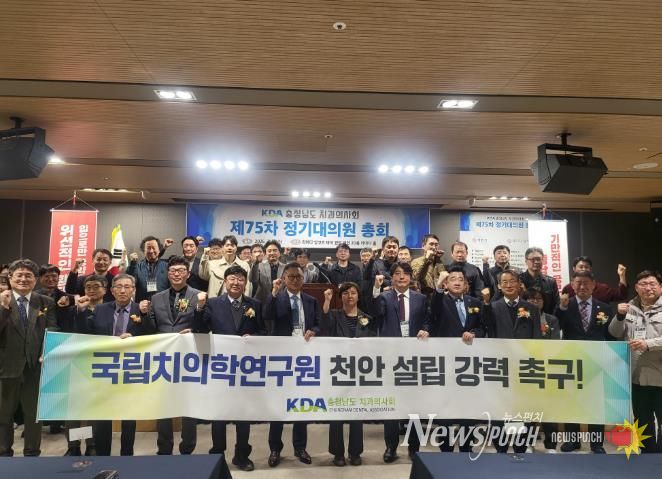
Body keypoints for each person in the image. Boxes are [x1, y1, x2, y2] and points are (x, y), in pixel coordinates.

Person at [194, 265, 266, 471]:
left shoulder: (255, 304)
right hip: (221, 367)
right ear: (225, 282)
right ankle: (217, 454)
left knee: (243, 413)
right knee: (219, 414)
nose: (236, 283)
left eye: (240, 279)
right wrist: (199, 308)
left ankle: (242, 455)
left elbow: (263, 331)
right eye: (232, 279)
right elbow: (200, 329)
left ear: (246, 283)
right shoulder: (213, 303)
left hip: (245, 368)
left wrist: (254, 337)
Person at [78, 274, 155, 456]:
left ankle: (127, 454)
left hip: (131, 369)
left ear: (133, 290)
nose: (122, 290)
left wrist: (134, 337)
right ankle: (102, 455)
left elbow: (153, 335)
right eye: (118, 287)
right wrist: (81, 313)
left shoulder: (141, 309)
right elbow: (85, 334)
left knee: (128, 415)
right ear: (112, 291)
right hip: (105, 369)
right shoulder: (101, 309)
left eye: (127, 287)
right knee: (103, 415)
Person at [372, 261, 430, 462]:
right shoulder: (384, 297)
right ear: (392, 277)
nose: (402, 277)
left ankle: (414, 448)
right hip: (391, 358)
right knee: (392, 404)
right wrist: (376, 289)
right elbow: (375, 313)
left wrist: (426, 329)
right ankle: (391, 447)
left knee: (415, 405)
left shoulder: (421, 298)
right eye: (397, 273)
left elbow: (427, 320)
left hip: (415, 358)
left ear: (411, 277)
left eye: (405, 273)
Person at [0, 259, 58, 457]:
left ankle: (32, 453)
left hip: (36, 367)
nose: (23, 279)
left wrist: (47, 349)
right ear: (10, 278)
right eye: (19, 275)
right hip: (6, 367)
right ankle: (3, 453)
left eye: (28, 276)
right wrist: (3, 308)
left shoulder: (45, 302)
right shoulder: (2, 299)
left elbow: (52, 328)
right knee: (4, 415)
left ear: (35, 280)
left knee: (34, 415)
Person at [265, 262, 320, 467]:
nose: (295, 280)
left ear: (303, 279)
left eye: (298, 277)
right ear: (284, 279)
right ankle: (275, 449)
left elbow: (318, 323)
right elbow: (266, 315)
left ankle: (300, 447)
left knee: (301, 404)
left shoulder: (311, 300)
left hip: (304, 358)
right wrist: (273, 293)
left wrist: (314, 330)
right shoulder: (277, 298)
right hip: (282, 358)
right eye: (291, 277)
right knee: (279, 405)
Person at [143, 256, 200, 456]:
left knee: (188, 404)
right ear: (167, 274)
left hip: (189, 358)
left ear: (188, 274)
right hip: (163, 358)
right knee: (164, 405)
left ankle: (187, 448)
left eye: (181, 270)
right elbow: (151, 328)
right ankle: (164, 448)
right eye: (173, 270)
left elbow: (205, 324)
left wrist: (194, 331)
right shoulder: (156, 298)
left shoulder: (198, 296)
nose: (176, 274)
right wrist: (144, 314)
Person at [481, 270, 541, 453]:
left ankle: (519, 448)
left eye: (512, 281)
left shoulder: (531, 308)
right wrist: (485, 303)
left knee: (520, 407)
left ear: (519, 284)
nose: (508, 285)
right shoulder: (492, 307)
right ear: (499, 286)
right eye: (504, 282)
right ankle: (501, 448)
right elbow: (487, 330)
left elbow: (537, 338)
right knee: (500, 408)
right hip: (500, 367)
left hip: (523, 366)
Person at [555, 271, 612, 454]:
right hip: (571, 361)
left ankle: (596, 443)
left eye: (586, 282)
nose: (582, 286)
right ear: (572, 285)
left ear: (594, 285)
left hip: (596, 361)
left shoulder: (605, 308)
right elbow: (556, 326)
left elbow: (610, 335)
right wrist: (562, 308)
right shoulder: (564, 305)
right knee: (571, 400)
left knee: (595, 402)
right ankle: (572, 441)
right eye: (578, 282)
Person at [429, 267, 485, 452]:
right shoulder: (440, 300)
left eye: (461, 279)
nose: (457, 282)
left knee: (468, 406)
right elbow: (434, 313)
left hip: (469, 364)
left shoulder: (474, 302)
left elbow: (483, 327)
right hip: (446, 362)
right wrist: (438, 288)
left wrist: (474, 333)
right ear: (446, 284)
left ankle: (466, 447)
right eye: (453, 279)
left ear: (466, 284)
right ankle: (446, 449)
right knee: (446, 407)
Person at [321, 282, 376, 466]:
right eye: (345, 293)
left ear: (358, 296)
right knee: (337, 412)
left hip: (359, 371)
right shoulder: (334, 315)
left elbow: (373, 343)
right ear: (341, 297)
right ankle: (337, 453)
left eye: (353, 293)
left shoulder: (366, 318)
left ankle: (355, 452)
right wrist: (327, 301)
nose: (349, 296)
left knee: (356, 412)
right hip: (338, 370)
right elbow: (324, 325)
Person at [609, 270, 662, 453]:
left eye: (652, 284)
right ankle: (647, 456)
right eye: (643, 284)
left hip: (660, 375)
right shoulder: (629, 307)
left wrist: (648, 344)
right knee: (642, 419)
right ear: (637, 288)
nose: (648, 288)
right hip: (637, 376)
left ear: (660, 287)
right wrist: (619, 316)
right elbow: (615, 332)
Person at [58, 274, 108, 456]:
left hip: (100, 365)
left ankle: (91, 444)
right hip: (76, 364)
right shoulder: (73, 310)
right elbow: (64, 333)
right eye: (88, 287)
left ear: (105, 289)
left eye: (96, 286)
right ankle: (73, 446)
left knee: (92, 409)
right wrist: (79, 310)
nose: (92, 290)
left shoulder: (110, 309)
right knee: (74, 409)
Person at [522, 287, 561, 452]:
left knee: (548, 409)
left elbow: (556, 342)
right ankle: (527, 443)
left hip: (547, 369)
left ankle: (551, 445)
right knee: (527, 409)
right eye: (530, 299)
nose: (534, 302)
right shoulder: (521, 317)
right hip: (526, 369)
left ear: (544, 302)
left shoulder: (551, 320)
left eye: (538, 299)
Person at [561, 256, 628, 303]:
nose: (584, 269)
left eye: (586, 267)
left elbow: (622, 295)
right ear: (574, 269)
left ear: (590, 269)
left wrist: (622, 276)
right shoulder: (568, 289)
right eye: (581, 267)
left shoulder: (602, 289)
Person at [127, 236, 170, 302]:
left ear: (159, 250)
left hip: (163, 305)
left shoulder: (167, 266)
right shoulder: (137, 266)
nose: (151, 251)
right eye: (148, 248)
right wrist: (132, 264)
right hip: (142, 305)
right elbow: (130, 281)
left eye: (154, 248)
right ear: (144, 251)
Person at [519, 247, 560, 315]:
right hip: (524, 318)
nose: (536, 262)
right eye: (533, 259)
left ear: (542, 260)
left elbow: (556, 304)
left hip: (546, 318)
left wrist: (549, 318)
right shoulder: (518, 280)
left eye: (538, 259)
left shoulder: (551, 281)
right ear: (526, 261)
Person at [251, 240, 286, 306]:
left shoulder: (285, 267)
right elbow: (253, 279)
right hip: (262, 302)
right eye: (269, 251)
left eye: (275, 250)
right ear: (265, 253)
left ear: (279, 253)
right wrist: (256, 263)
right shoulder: (259, 265)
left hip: (280, 302)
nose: (272, 253)